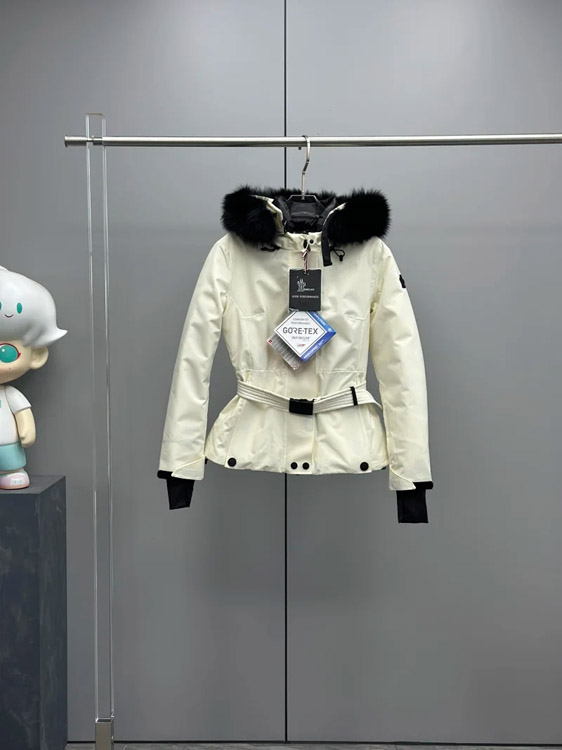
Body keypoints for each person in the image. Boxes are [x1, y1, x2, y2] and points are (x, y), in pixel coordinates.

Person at [0, 266, 67, 489]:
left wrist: (26, 429)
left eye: (5, 352)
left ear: (36, 355)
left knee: (8, 460)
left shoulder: (10, 395)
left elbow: (23, 414)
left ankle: (11, 471)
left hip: (6, 445)